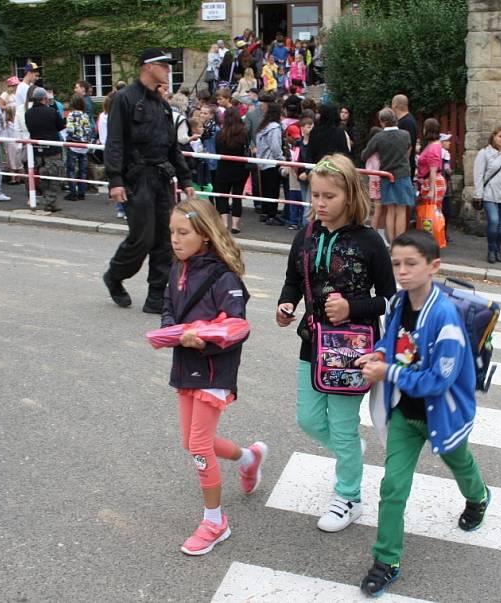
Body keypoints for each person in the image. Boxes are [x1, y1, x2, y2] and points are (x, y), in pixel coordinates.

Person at [357, 230, 490, 597]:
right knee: (393, 486)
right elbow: (392, 340)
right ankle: (386, 561)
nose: (401, 271)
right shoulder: (401, 302)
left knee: (459, 462)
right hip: (405, 414)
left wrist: (388, 373)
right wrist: (380, 354)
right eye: (396, 263)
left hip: (441, 414)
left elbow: (438, 380)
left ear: (433, 266)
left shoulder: (446, 319)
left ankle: (478, 497)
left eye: (411, 263)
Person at [276, 153, 396, 534]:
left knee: (343, 427)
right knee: (308, 418)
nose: (320, 204)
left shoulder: (370, 242)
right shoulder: (305, 235)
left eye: (329, 196)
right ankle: (351, 455)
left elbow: (391, 299)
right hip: (311, 342)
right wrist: (286, 303)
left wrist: (352, 307)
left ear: (350, 196)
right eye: (315, 195)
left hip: (353, 349)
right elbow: (293, 278)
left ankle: (349, 497)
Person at [160, 198, 267, 556]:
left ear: (204, 234)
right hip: (184, 367)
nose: (175, 239)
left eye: (183, 232)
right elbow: (168, 310)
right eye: (172, 232)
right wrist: (170, 334)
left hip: (214, 371)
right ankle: (250, 458)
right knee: (190, 443)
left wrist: (202, 338)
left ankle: (214, 521)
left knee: (200, 446)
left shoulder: (225, 277)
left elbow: (237, 327)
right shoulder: (178, 269)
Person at [103, 48, 195, 313]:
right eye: (163, 65)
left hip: (162, 177)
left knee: (166, 239)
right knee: (141, 238)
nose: (168, 70)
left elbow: (171, 147)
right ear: (147, 67)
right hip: (137, 177)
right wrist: (115, 180)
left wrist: (185, 177)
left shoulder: (162, 104)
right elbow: (115, 141)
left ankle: (157, 296)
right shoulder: (124, 99)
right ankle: (115, 275)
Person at [361, 108, 414, 243]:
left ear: (382, 122)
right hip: (403, 174)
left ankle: (391, 243)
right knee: (401, 210)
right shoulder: (405, 134)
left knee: (390, 210)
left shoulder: (378, 137)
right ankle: (400, 243)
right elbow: (408, 149)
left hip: (386, 176)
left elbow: (364, 155)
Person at [473, 125, 501, 263]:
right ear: (494, 136)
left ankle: (498, 249)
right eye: (500, 136)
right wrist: (478, 194)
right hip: (489, 193)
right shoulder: (484, 153)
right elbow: (478, 175)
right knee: (494, 221)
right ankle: (491, 250)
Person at [25, 87, 66, 212]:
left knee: (43, 175)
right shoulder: (51, 111)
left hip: (37, 150)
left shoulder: (28, 113)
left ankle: (46, 199)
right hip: (52, 149)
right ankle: (50, 202)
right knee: (54, 176)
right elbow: (60, 126)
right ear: (44, 98)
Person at [213, 107, 249, 234]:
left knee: (222, 196)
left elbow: (217, 151)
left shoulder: (220, 134)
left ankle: (224, 223)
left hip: (223, 168)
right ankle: (235, 225)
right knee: (237, 196)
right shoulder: (244, 133)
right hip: (240, 169)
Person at [415, 118, 446, 248]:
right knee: (432, 212)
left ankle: (430, 242)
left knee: (429, 212)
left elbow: (433, 169)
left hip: (432, 182)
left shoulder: (433, 147)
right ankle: (431, 240)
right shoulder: (435, 145)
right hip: (433, 181)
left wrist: (432, 190)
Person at [255, 103, 284, 225]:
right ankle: (271, 215)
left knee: (266, 188)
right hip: (272, 161)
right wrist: (281, 158)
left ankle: (265, 212)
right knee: (273, 189)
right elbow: (275, 146)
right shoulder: (275, 127)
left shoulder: (263, 127)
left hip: (262, 161)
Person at [64, 93, 93, 201]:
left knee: (71, 169)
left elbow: (70, 129)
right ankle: (82, 192)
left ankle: (73, 192)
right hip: (84, 145)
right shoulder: (85, 115)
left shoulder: (71, 115)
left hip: (73, 145)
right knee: (83, 170)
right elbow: (88, 130)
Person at [392, 94, 418, 176]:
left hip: (403, 169)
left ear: (395, 105)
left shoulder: (407, 122)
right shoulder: (404, 121)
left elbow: (408, 146)